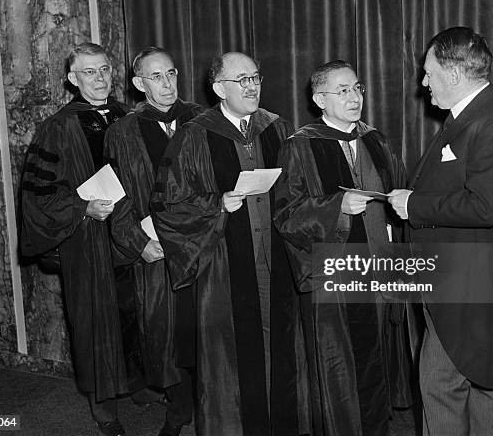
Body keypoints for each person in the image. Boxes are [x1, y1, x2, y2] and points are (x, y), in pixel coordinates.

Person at [151, 52, 307, 435]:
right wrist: (216, 203)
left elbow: (298, 190)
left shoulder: (276, 127)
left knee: (283, 345)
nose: (253, 86)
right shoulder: (195, 133)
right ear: (220, 88)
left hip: (276, 257)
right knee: (230, 354)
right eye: (243, 80)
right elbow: (167, 204)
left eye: (256, 77)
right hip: (224, 264)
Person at [388, 26, 493, 436]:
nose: (423, 82)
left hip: (467, 283)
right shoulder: (472, 116)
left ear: (452, 73)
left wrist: (414, 204)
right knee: (485, 384)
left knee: (441, 384)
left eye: (428, 72)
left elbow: (486, 207)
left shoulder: (491, 121)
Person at [274, 60, 409, 436]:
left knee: (376, 357)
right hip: (336, 273)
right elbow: (285, 214)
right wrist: (336, 208)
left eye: (357, 88)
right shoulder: (300, 145)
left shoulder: (375, 139)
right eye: (343, 90)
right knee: (338, 366)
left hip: (378, 269)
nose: (354, 98)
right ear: (320, 99)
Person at [21, 42, 129, 436]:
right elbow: (38, 195)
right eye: (88, 72)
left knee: (133, 312)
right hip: (87, 238)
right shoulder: (57, 128)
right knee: (95, 319)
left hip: (130, 234)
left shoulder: (128, 115)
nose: (99, 79)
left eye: (103, 70)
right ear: (72, 79)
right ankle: (104, 408)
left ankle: (140, 388)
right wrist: (82, 208)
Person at [104, 47, 203, 436]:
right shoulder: (123, 131)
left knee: (207, 325)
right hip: (157, 248)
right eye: (156, 77)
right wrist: (135, 241)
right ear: (138, 83)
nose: (166, 83)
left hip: (205, 243)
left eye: (171, 74)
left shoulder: (202, 119)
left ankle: (215, 403)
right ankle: (179, 411)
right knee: (169, 330)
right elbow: (118, 194)